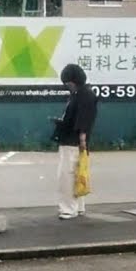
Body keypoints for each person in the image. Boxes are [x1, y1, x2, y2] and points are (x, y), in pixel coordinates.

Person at [52, 63, 98, 221]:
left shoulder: (83, 95)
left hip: (72, 142)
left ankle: (68, 209)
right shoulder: (83, 94)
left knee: (66, 176)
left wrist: (82, 138)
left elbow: (83, 120)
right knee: (78, 174)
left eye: (68, 82)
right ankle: (78, 207)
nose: (67, 86)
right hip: (76, 141)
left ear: (74, 80)